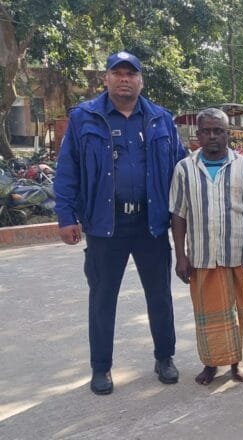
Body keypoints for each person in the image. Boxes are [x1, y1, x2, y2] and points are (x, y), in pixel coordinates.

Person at [54, 51, 186, 394]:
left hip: (151, 223)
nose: (124, 78)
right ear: (106, 79)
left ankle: (164, 358)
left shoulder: (160, 119)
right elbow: (67, 169)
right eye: (118, 73)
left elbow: (180, 168)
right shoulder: (85, 118)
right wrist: (66, 216)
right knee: (102, 297)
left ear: (141, 80)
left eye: (131, 73)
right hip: (104, 225)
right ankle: (101, 367)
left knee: (159, 296)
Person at [169, 108, 243, 385]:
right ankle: (210, 363)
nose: (212, 136)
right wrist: (181, 256)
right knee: (207, 314)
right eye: (206, 131)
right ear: (198, 135)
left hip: (236, 253)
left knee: (237, 310)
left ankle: (236, 361)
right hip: (202, 257)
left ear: (228, 134)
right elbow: (178, 214)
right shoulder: (184, 168)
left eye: (218, 130)